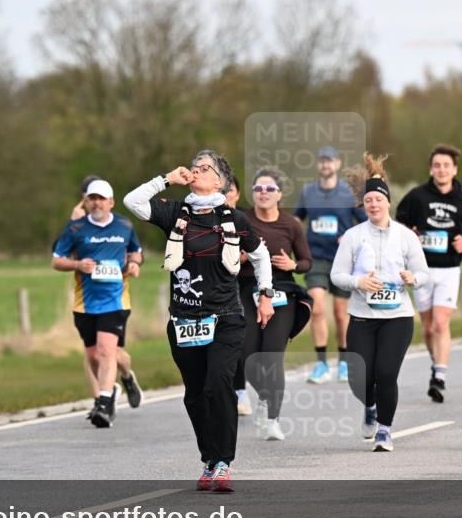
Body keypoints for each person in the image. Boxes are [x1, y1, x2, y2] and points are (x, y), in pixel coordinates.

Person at [124, 150, 273, 493]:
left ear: (219, 182)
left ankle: (223, 463)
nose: (196, 170)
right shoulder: (176, 212)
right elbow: (132, 201)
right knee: (194, 395)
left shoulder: (234, 218)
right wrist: (166, 180)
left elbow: (260, 255)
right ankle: (209, 459)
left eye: (205, 168)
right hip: (184, 319)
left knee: (218, 384)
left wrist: (265, 293)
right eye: (194, 166)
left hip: (225, 317)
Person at [331, 153, 429, 452]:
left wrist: (413, 278)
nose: (374, 204)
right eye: (368, 200)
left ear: (388, 202)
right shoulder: (353, 236)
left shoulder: (405, 236)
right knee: (359, 378)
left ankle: (384, 431)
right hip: (362, 316)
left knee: (386, 373)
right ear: (363, 205)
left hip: (397, 317)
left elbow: (424, 273)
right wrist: (358, 282)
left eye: (378, 199)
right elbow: (337, 275)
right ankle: (370, 405)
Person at [54, 179, 143, 427]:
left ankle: (104, 401)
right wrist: (77, 264)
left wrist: (135, 263)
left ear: (111, 202)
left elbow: (136, 251)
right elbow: (57, 260)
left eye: (102, 199)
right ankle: (126, 376)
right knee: (95, 356)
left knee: (106, 350)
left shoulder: (124, 225)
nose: (97, 203)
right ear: (86, 202)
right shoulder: (75, 228)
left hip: (116, 300)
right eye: (92, 198)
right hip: (85, 303)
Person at [396, 143, 462, 403]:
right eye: (437, 165)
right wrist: (411, 234)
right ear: (431, 169)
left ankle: (439, 376)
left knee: (442, 323)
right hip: (421, 269)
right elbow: (400, 222)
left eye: (446, 165)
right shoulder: (417, 196)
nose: (441, 170)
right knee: (429, 328)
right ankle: (436, 363)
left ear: (454, 170)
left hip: (449, 269)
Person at [239, 167, 312, 441]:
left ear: (280, 194)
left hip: (282, 291)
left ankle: (273, 419)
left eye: (270, 188)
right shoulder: (241, 220)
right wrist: (240, 258)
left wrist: (293, 265)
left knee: (271, 356)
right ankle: (266, 397)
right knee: (246, 355)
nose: (264, 193)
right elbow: (225, 256)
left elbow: (306, 262)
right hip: (247, 289)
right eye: (258, 188)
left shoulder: (291, 224)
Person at [294, 146, 366, 384]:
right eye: (322, 161)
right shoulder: (308, 192)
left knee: (340, 313)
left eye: (330, 161)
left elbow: (364, 223)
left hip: (343, 260)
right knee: (316, 308)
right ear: (318, 165)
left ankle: (344, 362)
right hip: (316, 258)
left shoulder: (349, 193)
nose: (326, 165)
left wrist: (349, 237)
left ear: (337, 164)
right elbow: (297, 219)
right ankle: (322, 364)